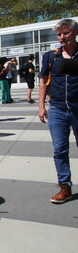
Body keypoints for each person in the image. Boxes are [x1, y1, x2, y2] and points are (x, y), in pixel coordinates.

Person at [38, 18, 78, 204]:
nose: (62, 37)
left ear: (75, 33)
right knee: (60, 150)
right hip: (58, 109)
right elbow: (43, 82)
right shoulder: (51, 56)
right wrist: (41, 107)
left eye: (66, 33)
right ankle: (65, 187)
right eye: (59, 34)